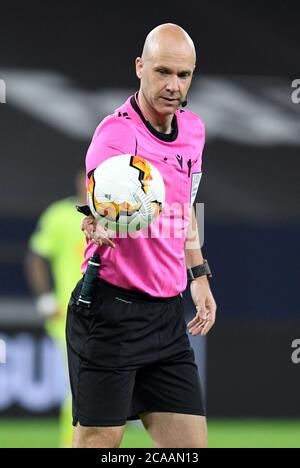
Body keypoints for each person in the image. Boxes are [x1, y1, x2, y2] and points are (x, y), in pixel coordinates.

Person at [67, 23, 217, 449]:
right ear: (140, 67)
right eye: (162, 72)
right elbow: (97, 201)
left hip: (166, 317)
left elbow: (185, 206)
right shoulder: (116, 134)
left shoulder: (193, 131)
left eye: (183, 75)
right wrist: (94, 220)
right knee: (99, 443)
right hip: (111, 313)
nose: (173, 86)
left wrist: (199, 275)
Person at [25, 169, 87, 447]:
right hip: (68, 315)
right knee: (78, 386)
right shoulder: (60, 215)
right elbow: (36, 257)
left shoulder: (115, 216)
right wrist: (45, 298)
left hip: (108, 314)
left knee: (89, 386)